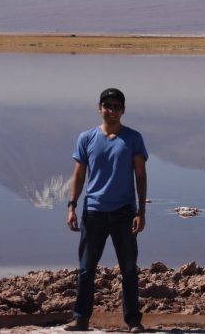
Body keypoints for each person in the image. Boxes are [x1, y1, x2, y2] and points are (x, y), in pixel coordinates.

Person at [65, 87, 149, 332]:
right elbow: (79, 174)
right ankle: (80, 318)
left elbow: (141, 177)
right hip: (94, 212)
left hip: (124, 213)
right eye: (107, 106)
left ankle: (133, 321)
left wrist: (141, 212)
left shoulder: (133, 139)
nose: (112, 111)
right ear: (100, 108)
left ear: (123, 110)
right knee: (86, 268)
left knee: (129, 268)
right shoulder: (87, 138)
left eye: (117, 107)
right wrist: (72, 206)